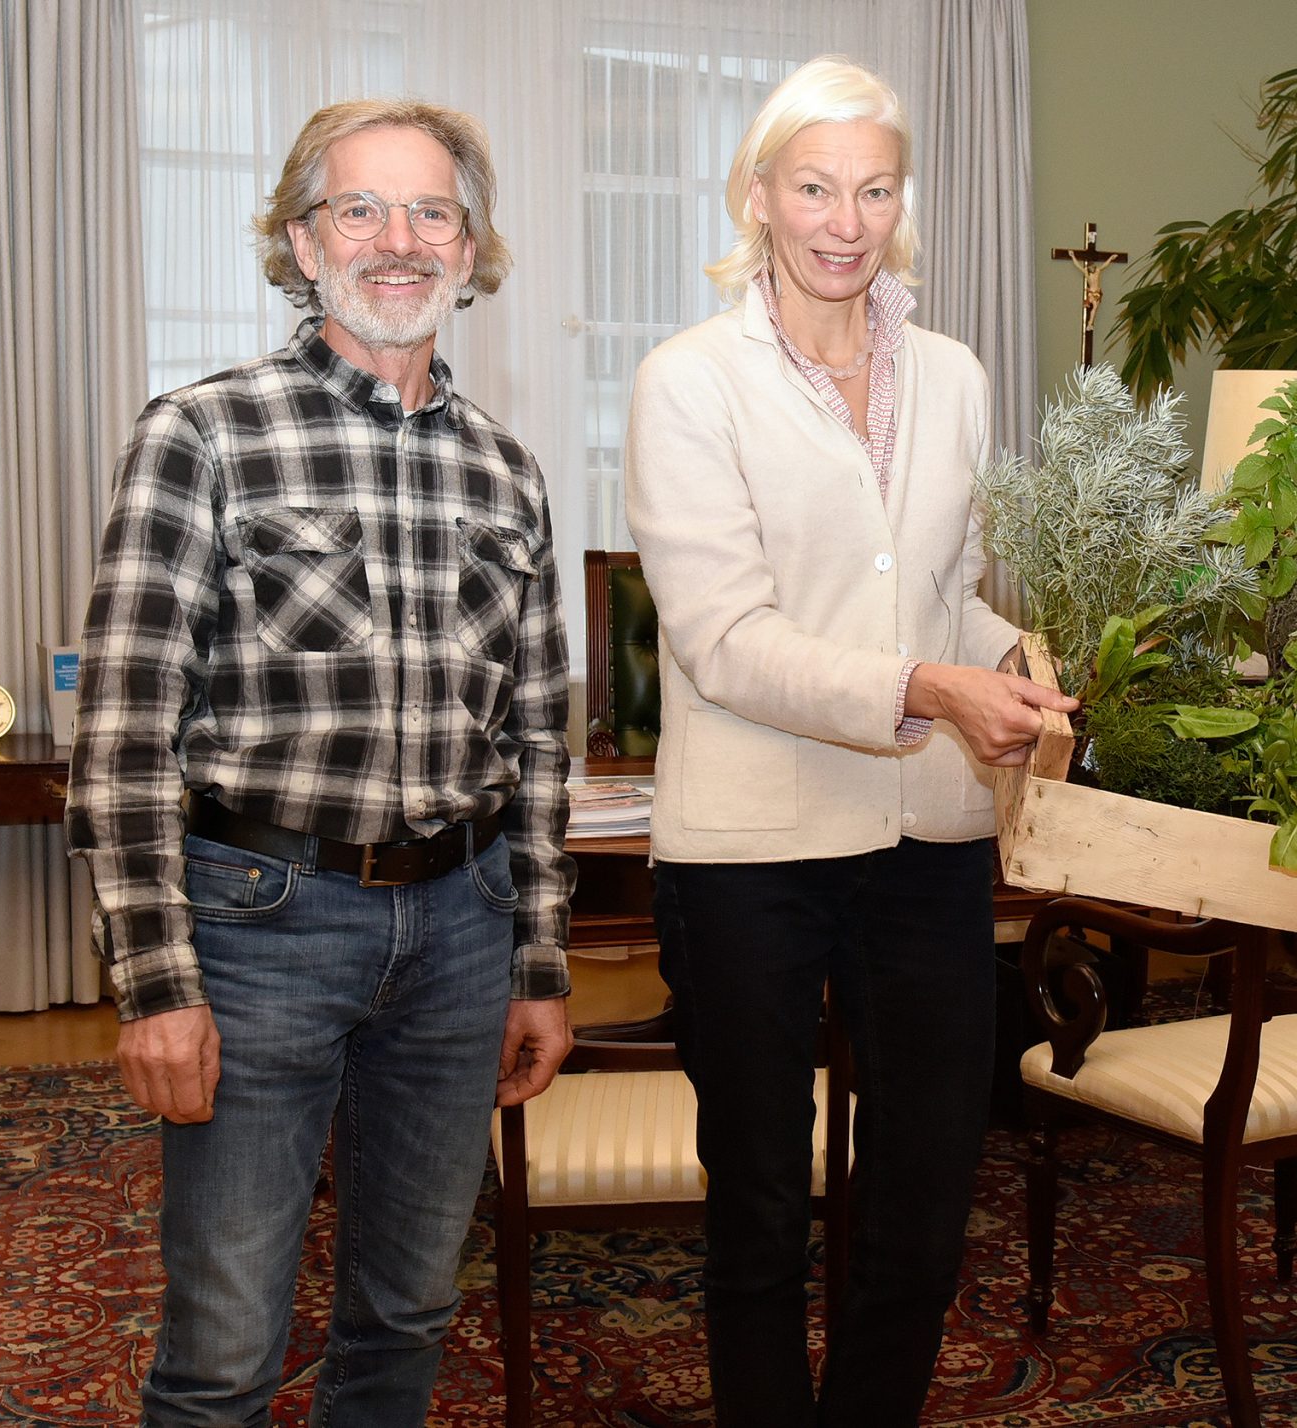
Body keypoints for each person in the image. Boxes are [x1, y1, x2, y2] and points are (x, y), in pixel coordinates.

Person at [68, 99, 575, 1426]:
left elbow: (537, 740)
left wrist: (537, 964)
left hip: (463, 936)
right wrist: (153, 983)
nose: (398, 242)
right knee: (226, 1345)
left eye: (432, 215)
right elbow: (123, 730)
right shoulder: (203, 434)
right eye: (362, 209)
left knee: (407, 1315)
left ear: (470, 252)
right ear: (303, 242)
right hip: (260, 929)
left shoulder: (508, 476)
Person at [622, 56, 1074, 1428]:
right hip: (747, 850)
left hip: (929, 837)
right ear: (757, 196)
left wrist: (1017, 660)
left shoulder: (953, 373)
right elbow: (724, 638)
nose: (845, 218)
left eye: (874, 188)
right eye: (815, 186)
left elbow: (944, 591)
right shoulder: (688, 381)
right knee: (761, 1199)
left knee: (928, 1190)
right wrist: (940, 685)